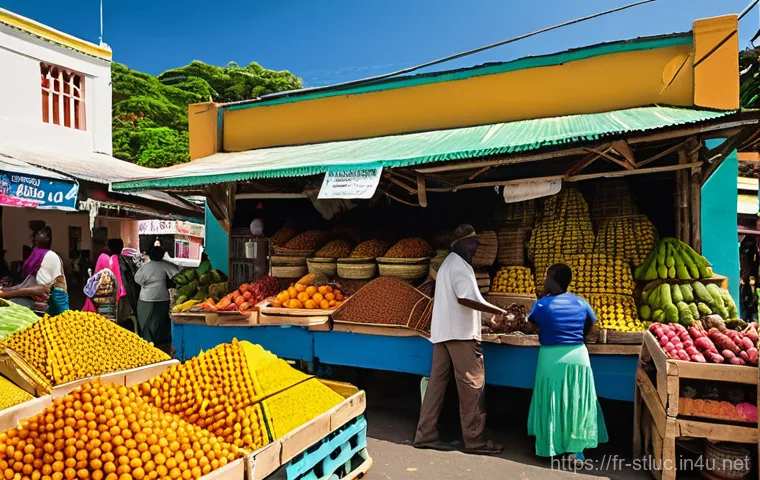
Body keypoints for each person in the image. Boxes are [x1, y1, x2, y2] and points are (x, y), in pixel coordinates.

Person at [415, 224, 507, 455]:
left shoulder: (448, 264)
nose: (476, 248)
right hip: (460, 335)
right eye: (474, 243)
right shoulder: (459, 265)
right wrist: (497, 311)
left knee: (436, 384)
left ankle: (425, 435)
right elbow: (466, 298)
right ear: (462, 244)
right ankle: (475, 440)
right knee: (472, 386)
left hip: (443, 333)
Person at [527, 264, 608, 465]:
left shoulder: (542, 305)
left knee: (552, 399)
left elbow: (531, 324)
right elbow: (591, 324)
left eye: (547, 276)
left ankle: (551, 445)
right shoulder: (581, 302)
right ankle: (576, 451)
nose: (544, 280)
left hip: (551, 357)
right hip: (579, 356)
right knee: (577, 400)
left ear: (552, 279)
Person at [5, 226, 69, 315]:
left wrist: (6, 294)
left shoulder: (50, 256)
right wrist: (5, 289)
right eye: (39, 233)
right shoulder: (35, 255)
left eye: (44, 234)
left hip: (56, 303)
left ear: (49, 239)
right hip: (45, 299)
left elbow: (42, 289)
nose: (40, 235)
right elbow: (26, 284)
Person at [134, 246, 179, 351]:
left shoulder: (145, 266)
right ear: (162, 255)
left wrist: (146, 284)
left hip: (146, 297)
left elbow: (137, 279)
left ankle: (147, 343)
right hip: (161, 296)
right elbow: (177, 274)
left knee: (145, 321)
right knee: (160, 322)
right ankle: (161, 344)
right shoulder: (166, 265)